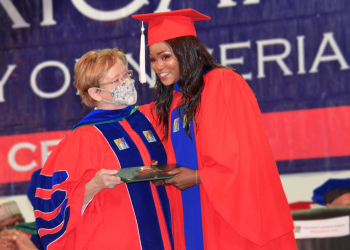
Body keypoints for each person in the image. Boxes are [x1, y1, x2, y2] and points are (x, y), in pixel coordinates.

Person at [132, 9, 297, 249]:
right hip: (191, 210)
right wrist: (159, 174)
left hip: (226, 211)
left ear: (186, 51)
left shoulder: (222, 82)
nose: (158, 66)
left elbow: (246, 153)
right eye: (153, 59)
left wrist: (199, 176)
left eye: (165, 56)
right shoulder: (171, 102)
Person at [33, 48, 184, 250]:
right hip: (117, 240)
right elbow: (51, 205)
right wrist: (94, 184)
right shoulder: (83, 137)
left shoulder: (148, 118)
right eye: (116, 80)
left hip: (166, 234)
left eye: (126, 75)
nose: (127, 82)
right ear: (95, 93)